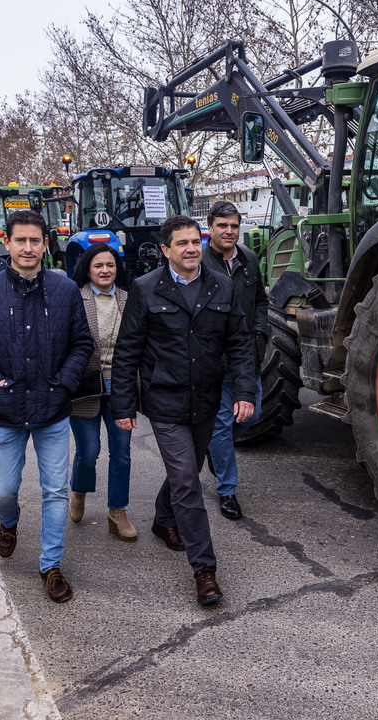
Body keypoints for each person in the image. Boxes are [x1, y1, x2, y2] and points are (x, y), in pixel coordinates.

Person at [111, 215, 255, 606]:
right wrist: (122, 403)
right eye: (182, 243)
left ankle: (162, 519)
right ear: (165, 250)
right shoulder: (144, 289)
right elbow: (127, 351)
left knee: (185, 470)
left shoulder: (221, 285)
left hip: (207, 399)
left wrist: (244, 390)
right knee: (188, 482)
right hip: (166, 401)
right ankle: (204, 570)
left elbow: (240, 343)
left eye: (196, 241)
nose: (191, 248)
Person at [0, 210, 93, 603]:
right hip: (5, 409)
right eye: (21, 240)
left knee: (54, 490)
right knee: (2, 490)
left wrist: (63, 382)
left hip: (52, 408)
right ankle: (8, 522)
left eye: (36, 240)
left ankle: (51, 564)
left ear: (45, 244)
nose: (29, 248)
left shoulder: (65, 290)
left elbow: (82, 343)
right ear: (8, 244)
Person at [200, 202, 268, 520]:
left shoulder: (248, 259)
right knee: (221, 427)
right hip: (214, 361)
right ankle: (227, 491)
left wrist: (260, 333)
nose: (229, 231)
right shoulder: (198, 261)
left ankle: (218, 450)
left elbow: (261, 300)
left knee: (253, 416)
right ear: (210, 227)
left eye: (234, 225)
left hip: (246, 356)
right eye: (222, 225)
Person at [68, 243, 136, 542]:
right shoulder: (75, 298)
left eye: (110, 265)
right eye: (98, 265)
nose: (105, 270)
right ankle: (79, 491)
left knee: (121, 452)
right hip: (84, 388)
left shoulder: (129, 299)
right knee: (89, 452)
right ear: (88, 269)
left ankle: (117, 512)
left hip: (121, 387)